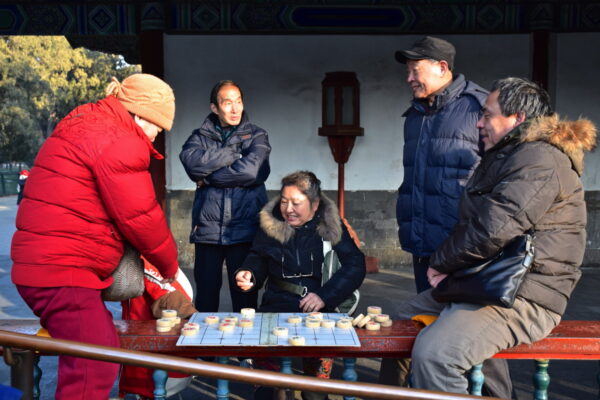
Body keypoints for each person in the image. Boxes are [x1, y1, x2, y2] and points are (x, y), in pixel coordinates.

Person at [390, 77, 596, 395]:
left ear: (518, 119)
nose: (478, 122)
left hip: (525, 294)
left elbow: (494, 228)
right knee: (400, 322)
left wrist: (440, 263)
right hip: (486, 282)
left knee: (436, 355)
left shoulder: (540, 159)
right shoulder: (508, 155)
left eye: (487, 114)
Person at [11, 73, 179, 400]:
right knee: (95, 362)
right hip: (61, 269)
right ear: (139, 114)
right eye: (157, 126)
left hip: (46, 264)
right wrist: (169, 266)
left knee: (96, 348)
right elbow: (141, 217)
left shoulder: (88, 122)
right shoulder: (119, 139)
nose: (157, 135)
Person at [382, 36, 512, 397]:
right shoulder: (416, 114)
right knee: (427, 325)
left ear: (442, 68)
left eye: (415, 70)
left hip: (467, 247)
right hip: (424, 244)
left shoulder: (478, 109)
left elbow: (501, 179)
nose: (409, 78)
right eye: (407, 71)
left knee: (479, 334)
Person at [235, 171, 366, 400]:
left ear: (315, 204)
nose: (288, 209)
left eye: (296, 203)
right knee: (266, 387)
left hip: (318, 311)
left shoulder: (330, 225)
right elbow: (257, 257)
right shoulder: (271, 224)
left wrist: (324, 296)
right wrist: (249, 275)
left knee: (315, 391)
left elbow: (355, 265)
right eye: (284, 201)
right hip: (276, 305)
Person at [180, 80, 271, 313]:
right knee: (206, 300)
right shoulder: (198, 137)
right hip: (208, 233)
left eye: (238, 102)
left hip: (244, 230)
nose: (234, 108)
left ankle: (245, 350)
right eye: (227, 103)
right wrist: (233, 153)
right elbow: (192, 165)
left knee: (244, 299)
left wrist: (208, 177)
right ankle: (206, 350)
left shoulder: (257, 136)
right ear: (214, 108)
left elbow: (252, 171)